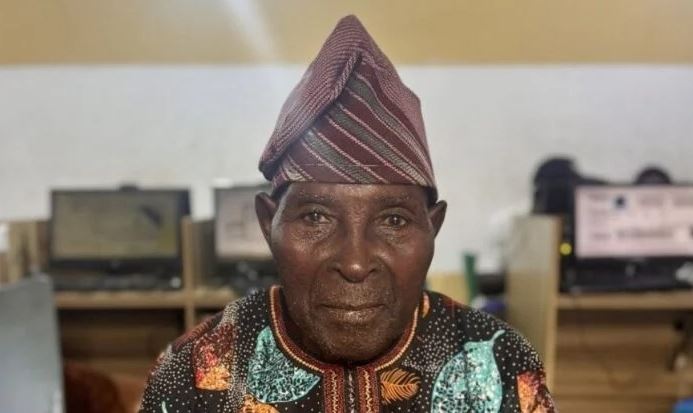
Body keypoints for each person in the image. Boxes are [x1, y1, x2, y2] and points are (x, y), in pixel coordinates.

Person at [139, 15, 555, 413]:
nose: (355, 263)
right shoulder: (194, 372)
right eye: (315, 218)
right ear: (268, 224)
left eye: (394, 221)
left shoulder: (499, 365)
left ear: (433, 227)